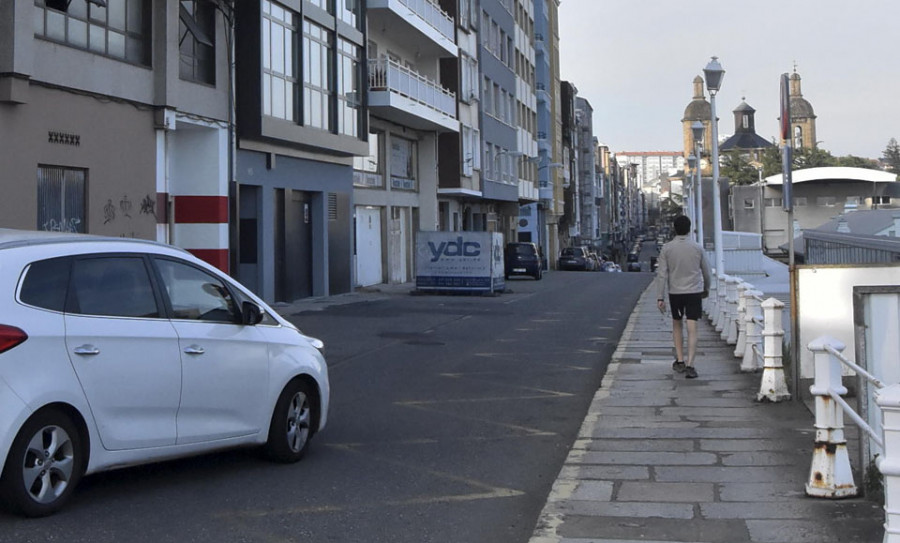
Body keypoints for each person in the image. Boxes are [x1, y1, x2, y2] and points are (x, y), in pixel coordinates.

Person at [655, 215, 710, 379]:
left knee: (677, 324)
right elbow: (706, 272)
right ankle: (691, 364)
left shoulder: (667, 248)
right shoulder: (697, 247)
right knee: (692, 327)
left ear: (674, 228)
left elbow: (662, 274)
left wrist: (660, 297)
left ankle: (679, 360)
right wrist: (706, 288)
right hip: (694, 291)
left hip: (675, 292)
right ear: (689, 228)